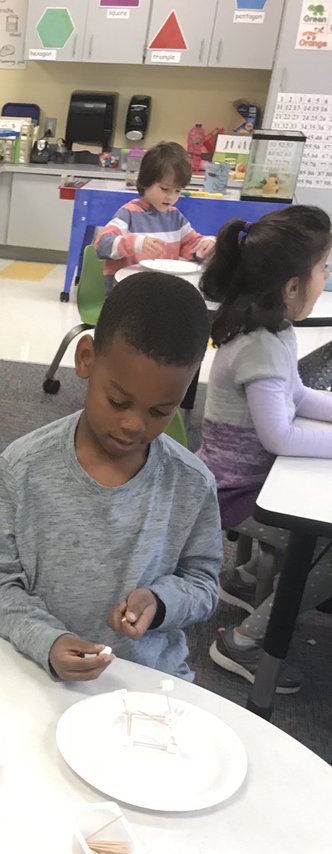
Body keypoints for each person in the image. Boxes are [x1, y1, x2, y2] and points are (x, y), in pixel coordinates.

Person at [0, 271, 221, 682]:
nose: (133, 425)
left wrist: (160, 602)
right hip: (38, 669)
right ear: (86, 357)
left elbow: (203, 583)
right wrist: (47, 639)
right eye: (118, 401)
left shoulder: (192, 483)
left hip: (145, 677)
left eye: (161, 411)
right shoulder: (24, 466)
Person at [196, 206, 332, 692]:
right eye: (323, 269)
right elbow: (280, 436)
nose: (326, 278)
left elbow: (296, 396)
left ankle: (248, 577)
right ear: (292, 287)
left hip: (249, 481)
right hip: (237, 494)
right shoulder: (261, 344)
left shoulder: (273, 330)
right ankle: (244, 642)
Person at [95, 142, 215, 289]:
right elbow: (102, 245)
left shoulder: (175, 217)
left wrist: (206, 245)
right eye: (165, 188)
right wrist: (137, 244)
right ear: (145, 182)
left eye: (177, 191)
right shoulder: (129, 213)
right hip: (127, 291)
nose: (171, 197)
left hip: (160, 289)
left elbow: (192, 246)